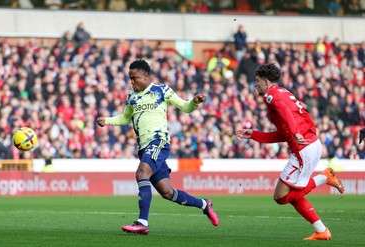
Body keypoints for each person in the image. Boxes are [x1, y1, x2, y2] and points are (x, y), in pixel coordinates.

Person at [97, 59, 218, 235]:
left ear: (146, 76)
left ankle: (142, 222)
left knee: (141, 174)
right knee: (167, 192)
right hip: (144, 147)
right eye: (130, 78)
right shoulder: (132, 96)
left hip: (158, 141)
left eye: (135, 78)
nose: (132, 82)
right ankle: (204, 204)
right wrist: (107, 120)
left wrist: (194, 102)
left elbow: (185, 106)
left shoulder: (162, 90)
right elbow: (125, 117)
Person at [235, 63, 344, 241]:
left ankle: (324, 177)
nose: (256, 85)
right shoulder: (284, 92)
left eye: (257, 81)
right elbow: (283, 133)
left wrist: (295, 132)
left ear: (266, 81)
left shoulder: (271, 95)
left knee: (280, 196)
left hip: (303, 148)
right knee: (292, 196)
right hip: (311, 144)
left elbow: (285, 112)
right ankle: (321, 230)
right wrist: (255, 135)